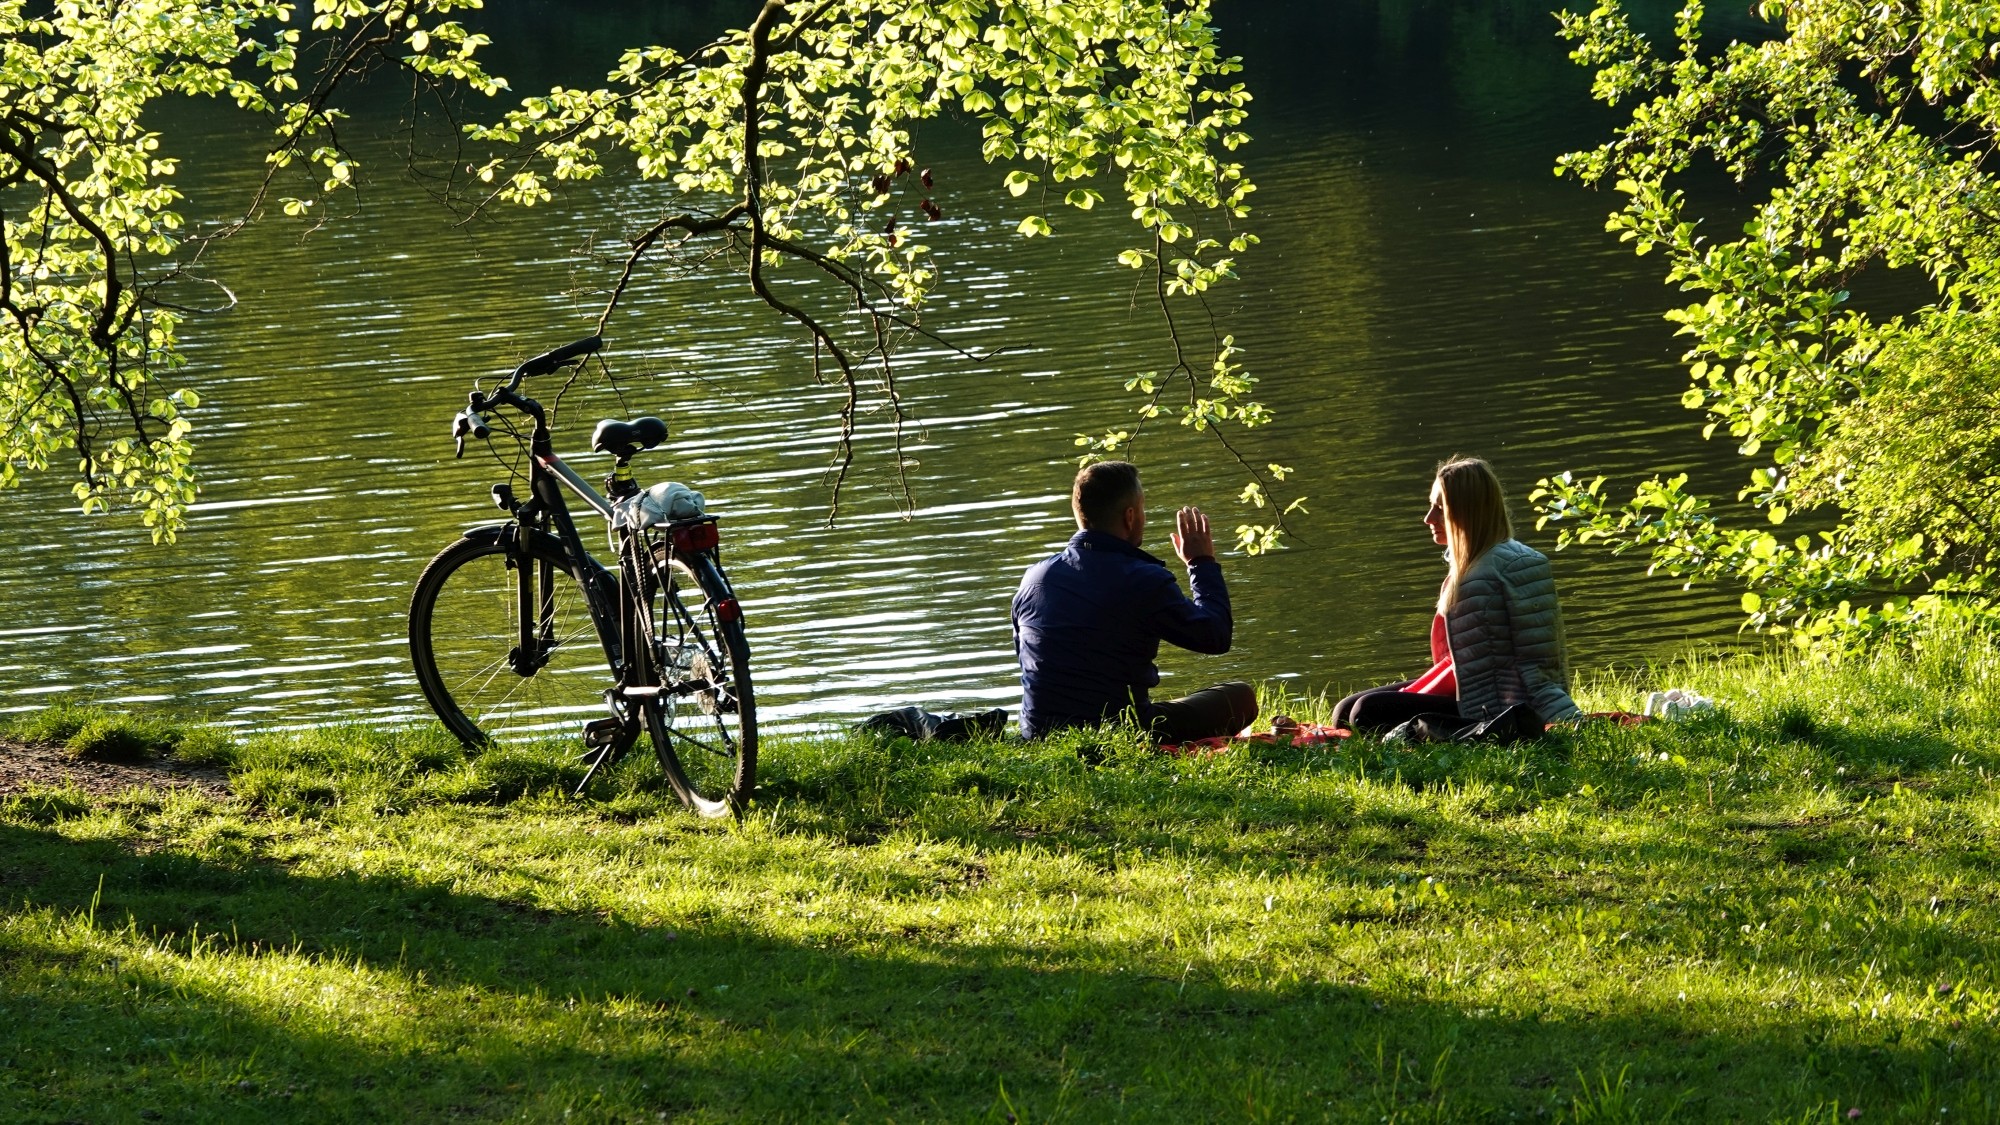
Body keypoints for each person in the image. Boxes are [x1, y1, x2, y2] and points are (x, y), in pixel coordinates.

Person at [1331, 456, 1582, 733]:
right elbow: (1460, 664)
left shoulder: (1495, 571)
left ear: (1467, 511)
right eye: (1431, 506)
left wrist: (1560, 717)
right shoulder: (1474, 564)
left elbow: (1539, 660)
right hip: (1474, 690)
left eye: (1440, 508)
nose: (1428, 518)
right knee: (1345, 710)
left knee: (1366, 712)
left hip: (1495, 709)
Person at [1012, 461, 1258, 742]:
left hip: (1038, 732)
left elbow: (1026, 654)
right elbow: (1215, 637)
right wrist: (1201, 564)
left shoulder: (1033, 577)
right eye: (1143, 509)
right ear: (1130, 516)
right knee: (1241, 697)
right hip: (1120, 731)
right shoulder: (1142, 578)